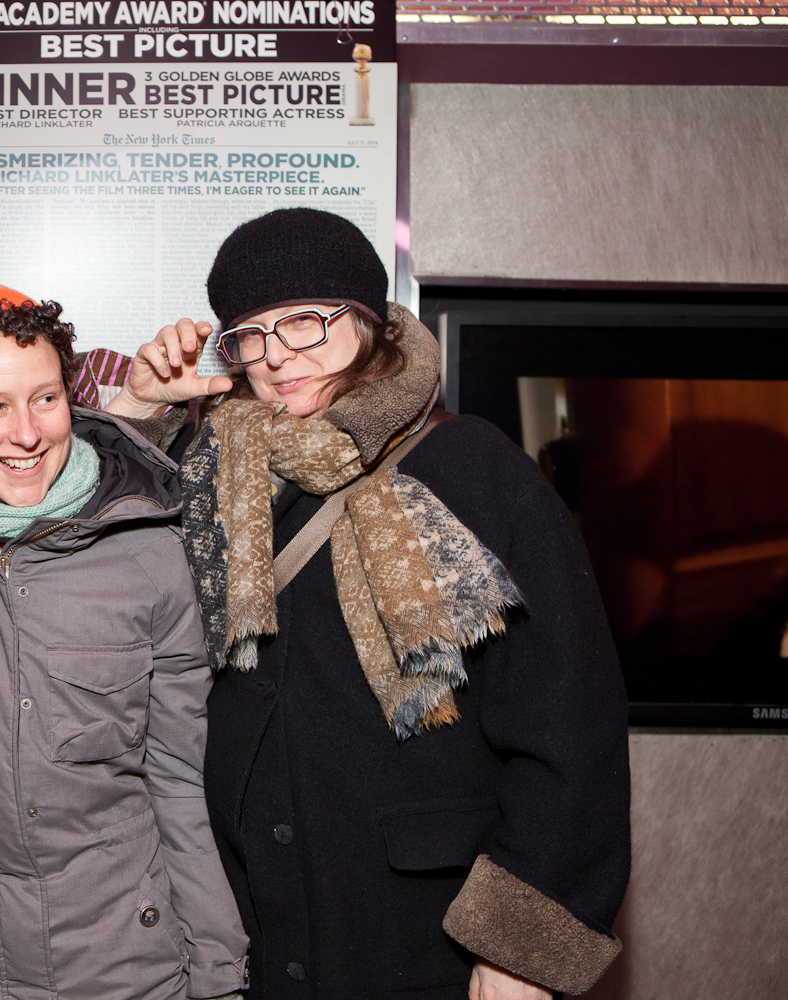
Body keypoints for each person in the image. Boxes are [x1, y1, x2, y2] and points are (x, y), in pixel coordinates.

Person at [99, 209, 631, 1000]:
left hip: (422, 931)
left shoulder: (478, 470)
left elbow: (570, 727)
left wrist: (519, 946)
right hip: (246, 920)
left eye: (306, 322)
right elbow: (92, 567)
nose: (277, 358)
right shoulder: (217, 464)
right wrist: (142, 413)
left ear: (374, 324)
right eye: (250, 334)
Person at [0, 281, 249, 1000]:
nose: (26, 433)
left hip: (123, 969)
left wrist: (218, 972)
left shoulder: (151, 554)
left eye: (46, 399)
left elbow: (181, 783)